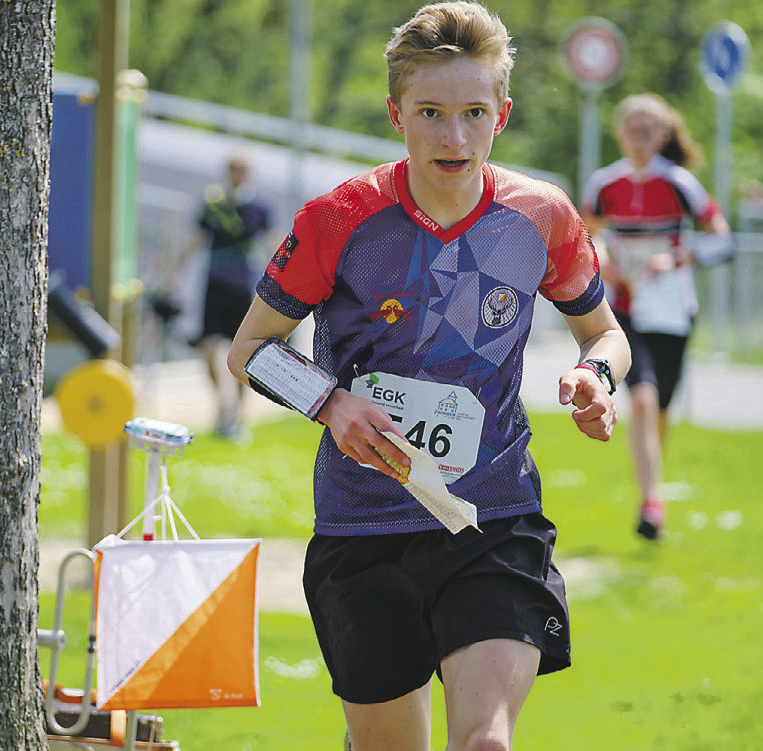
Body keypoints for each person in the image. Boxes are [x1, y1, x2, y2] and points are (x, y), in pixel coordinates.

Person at [226, 3, 630, 750]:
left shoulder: (540, 215)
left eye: (473, 112)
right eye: (431, 113)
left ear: (500, 114)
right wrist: (330, 403)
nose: (453, 136)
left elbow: (603, 331)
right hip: (362, 526)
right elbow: (250, 348)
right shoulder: (338, 218)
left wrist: (594, 375)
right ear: (395, 113)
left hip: (492, 517)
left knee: (484, 743)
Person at [581, 93, 733, 541]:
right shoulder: (603, 184)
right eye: (633, 131)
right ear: (620, 134)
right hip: (623, 309)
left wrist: (678, 256)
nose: (640, 139)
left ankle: (650, 488)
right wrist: (603, 253)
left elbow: (723, 241)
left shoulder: (681, 183)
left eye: (649, 132)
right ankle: (652, 505)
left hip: (671, 311)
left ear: (663, 136)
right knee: (642, 401)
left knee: (661, 410)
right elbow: (588, 234)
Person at [176, 151, 273, 439]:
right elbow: (195, 238)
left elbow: (272, 242)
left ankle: (239, 415)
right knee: (208, 346)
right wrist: (175, 272)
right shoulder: (212, 203)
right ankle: (222, 403)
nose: (237, 174)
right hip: (216, 281)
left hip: (245, 285)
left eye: (242, 169)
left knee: (245, 349)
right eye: (233, 168)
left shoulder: (259, 206)